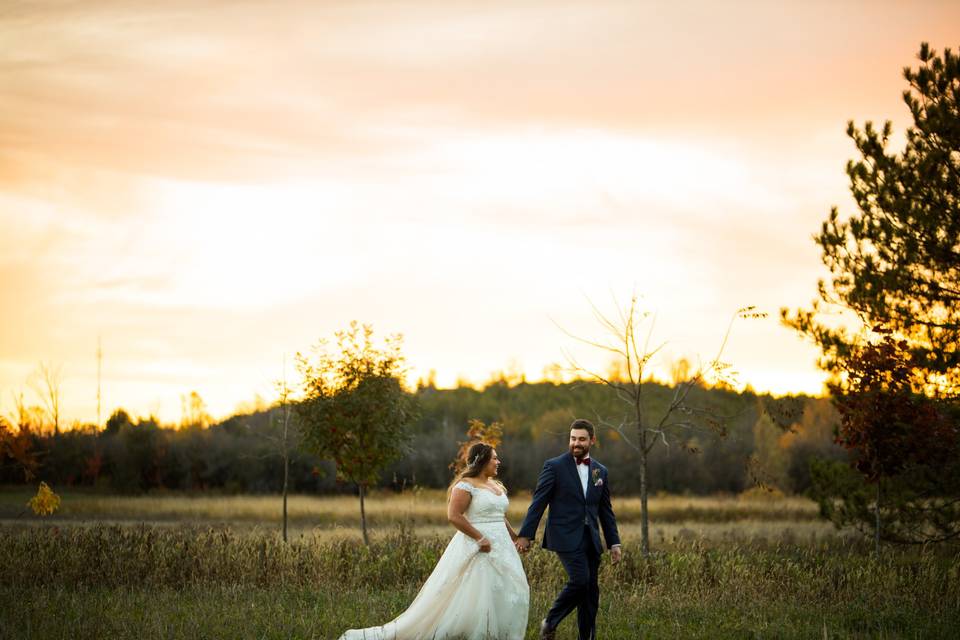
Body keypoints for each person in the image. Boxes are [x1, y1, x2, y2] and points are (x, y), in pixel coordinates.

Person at [338, 442, 529, 640]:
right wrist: (479, 538)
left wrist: (514, 537)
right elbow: (454, 516)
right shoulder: (465, 486)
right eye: (494, 458)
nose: (499, 462)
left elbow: (498, 515)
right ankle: (473, 632)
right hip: (479, 546)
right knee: (480, 590)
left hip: (502, 547)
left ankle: (500, 633)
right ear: (482, 461)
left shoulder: (495, 486)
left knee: (508, 588)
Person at [516, 419, 621, 640]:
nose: (576, 443)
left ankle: (587, 637)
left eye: (581, 439)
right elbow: (539, 502)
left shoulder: (600, 471)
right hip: (564, 536)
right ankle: (550, 621)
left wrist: (614, 542)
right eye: (573, 439)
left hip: (591, 539)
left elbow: (605, 510)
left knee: (590, 593)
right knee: (580, 580)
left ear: (592, 440)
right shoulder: (554, 466)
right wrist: (526, 535)